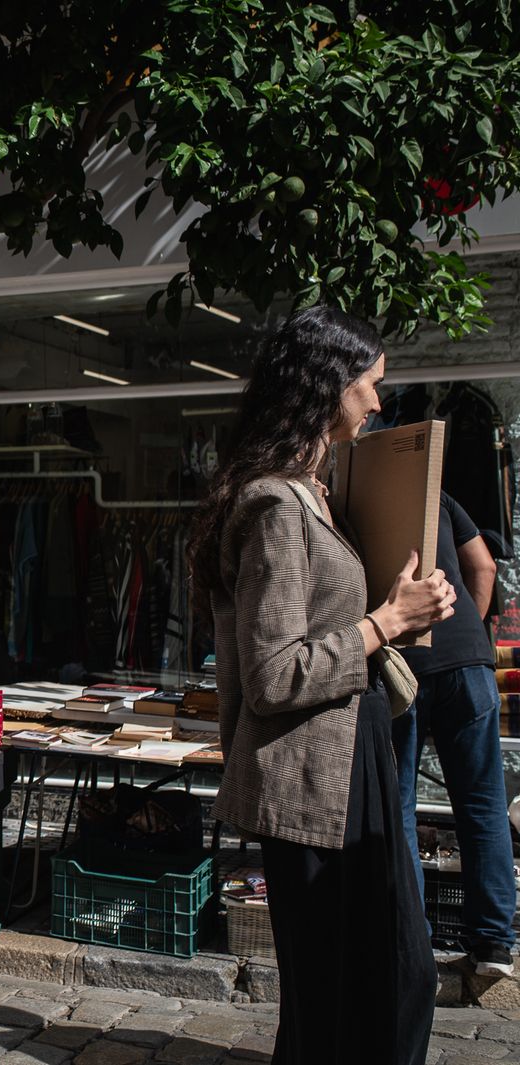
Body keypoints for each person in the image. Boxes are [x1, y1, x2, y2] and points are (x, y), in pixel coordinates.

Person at [188, 306, 455, 1064]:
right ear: (328, 384)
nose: (378, 401)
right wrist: (385, 622)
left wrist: (396, 609)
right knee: (360, 985)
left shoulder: (316, 490)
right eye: (371, 384)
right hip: (310, 777)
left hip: (349, 758)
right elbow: (274, 674)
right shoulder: (275, 503)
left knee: (362, 983)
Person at [392, 491, 516, 976]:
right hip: (467, 657)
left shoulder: (351, 497)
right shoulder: (433, 492)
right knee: (483, 802)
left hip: (402, 659)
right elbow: (483, 568)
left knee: (399, 805)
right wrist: (465, 626)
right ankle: (493, 945)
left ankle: (413, 943)